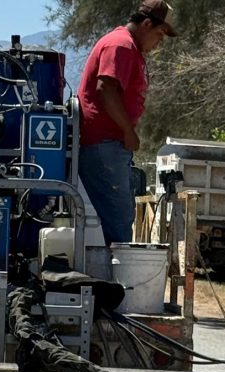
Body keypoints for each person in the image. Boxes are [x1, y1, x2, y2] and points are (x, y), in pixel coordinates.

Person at [78, 0, 177, 245]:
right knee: (119, 217)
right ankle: (117, 268)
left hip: (109, 145)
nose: (159, 42)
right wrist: (128, 131)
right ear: (147, 24)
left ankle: (110, 265)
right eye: (159, 34)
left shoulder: (129, 47)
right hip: (104, 144)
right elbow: (106, 89)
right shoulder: (120, 45)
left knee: (117, 216)